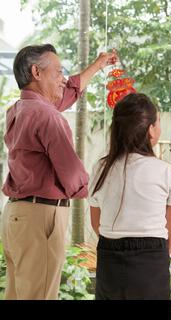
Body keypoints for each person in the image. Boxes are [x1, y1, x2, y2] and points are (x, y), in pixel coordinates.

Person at [0, 44, 116, 300]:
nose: (63, 79)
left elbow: (65, 93)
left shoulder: (17, 110)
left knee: (18, 294)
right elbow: (72, 174)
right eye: (58, 72)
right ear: (36, 72)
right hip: (41, 215)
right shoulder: (48, 117)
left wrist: (98, 65)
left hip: (16, 215)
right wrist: (105, 190)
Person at [88, 93, 171, 300]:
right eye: (158, 122)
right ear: (151, 130)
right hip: (151, 258)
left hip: (109, 256)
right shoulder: (163, 170)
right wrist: (159, 257)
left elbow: (96, 222)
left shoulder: (101, 168)